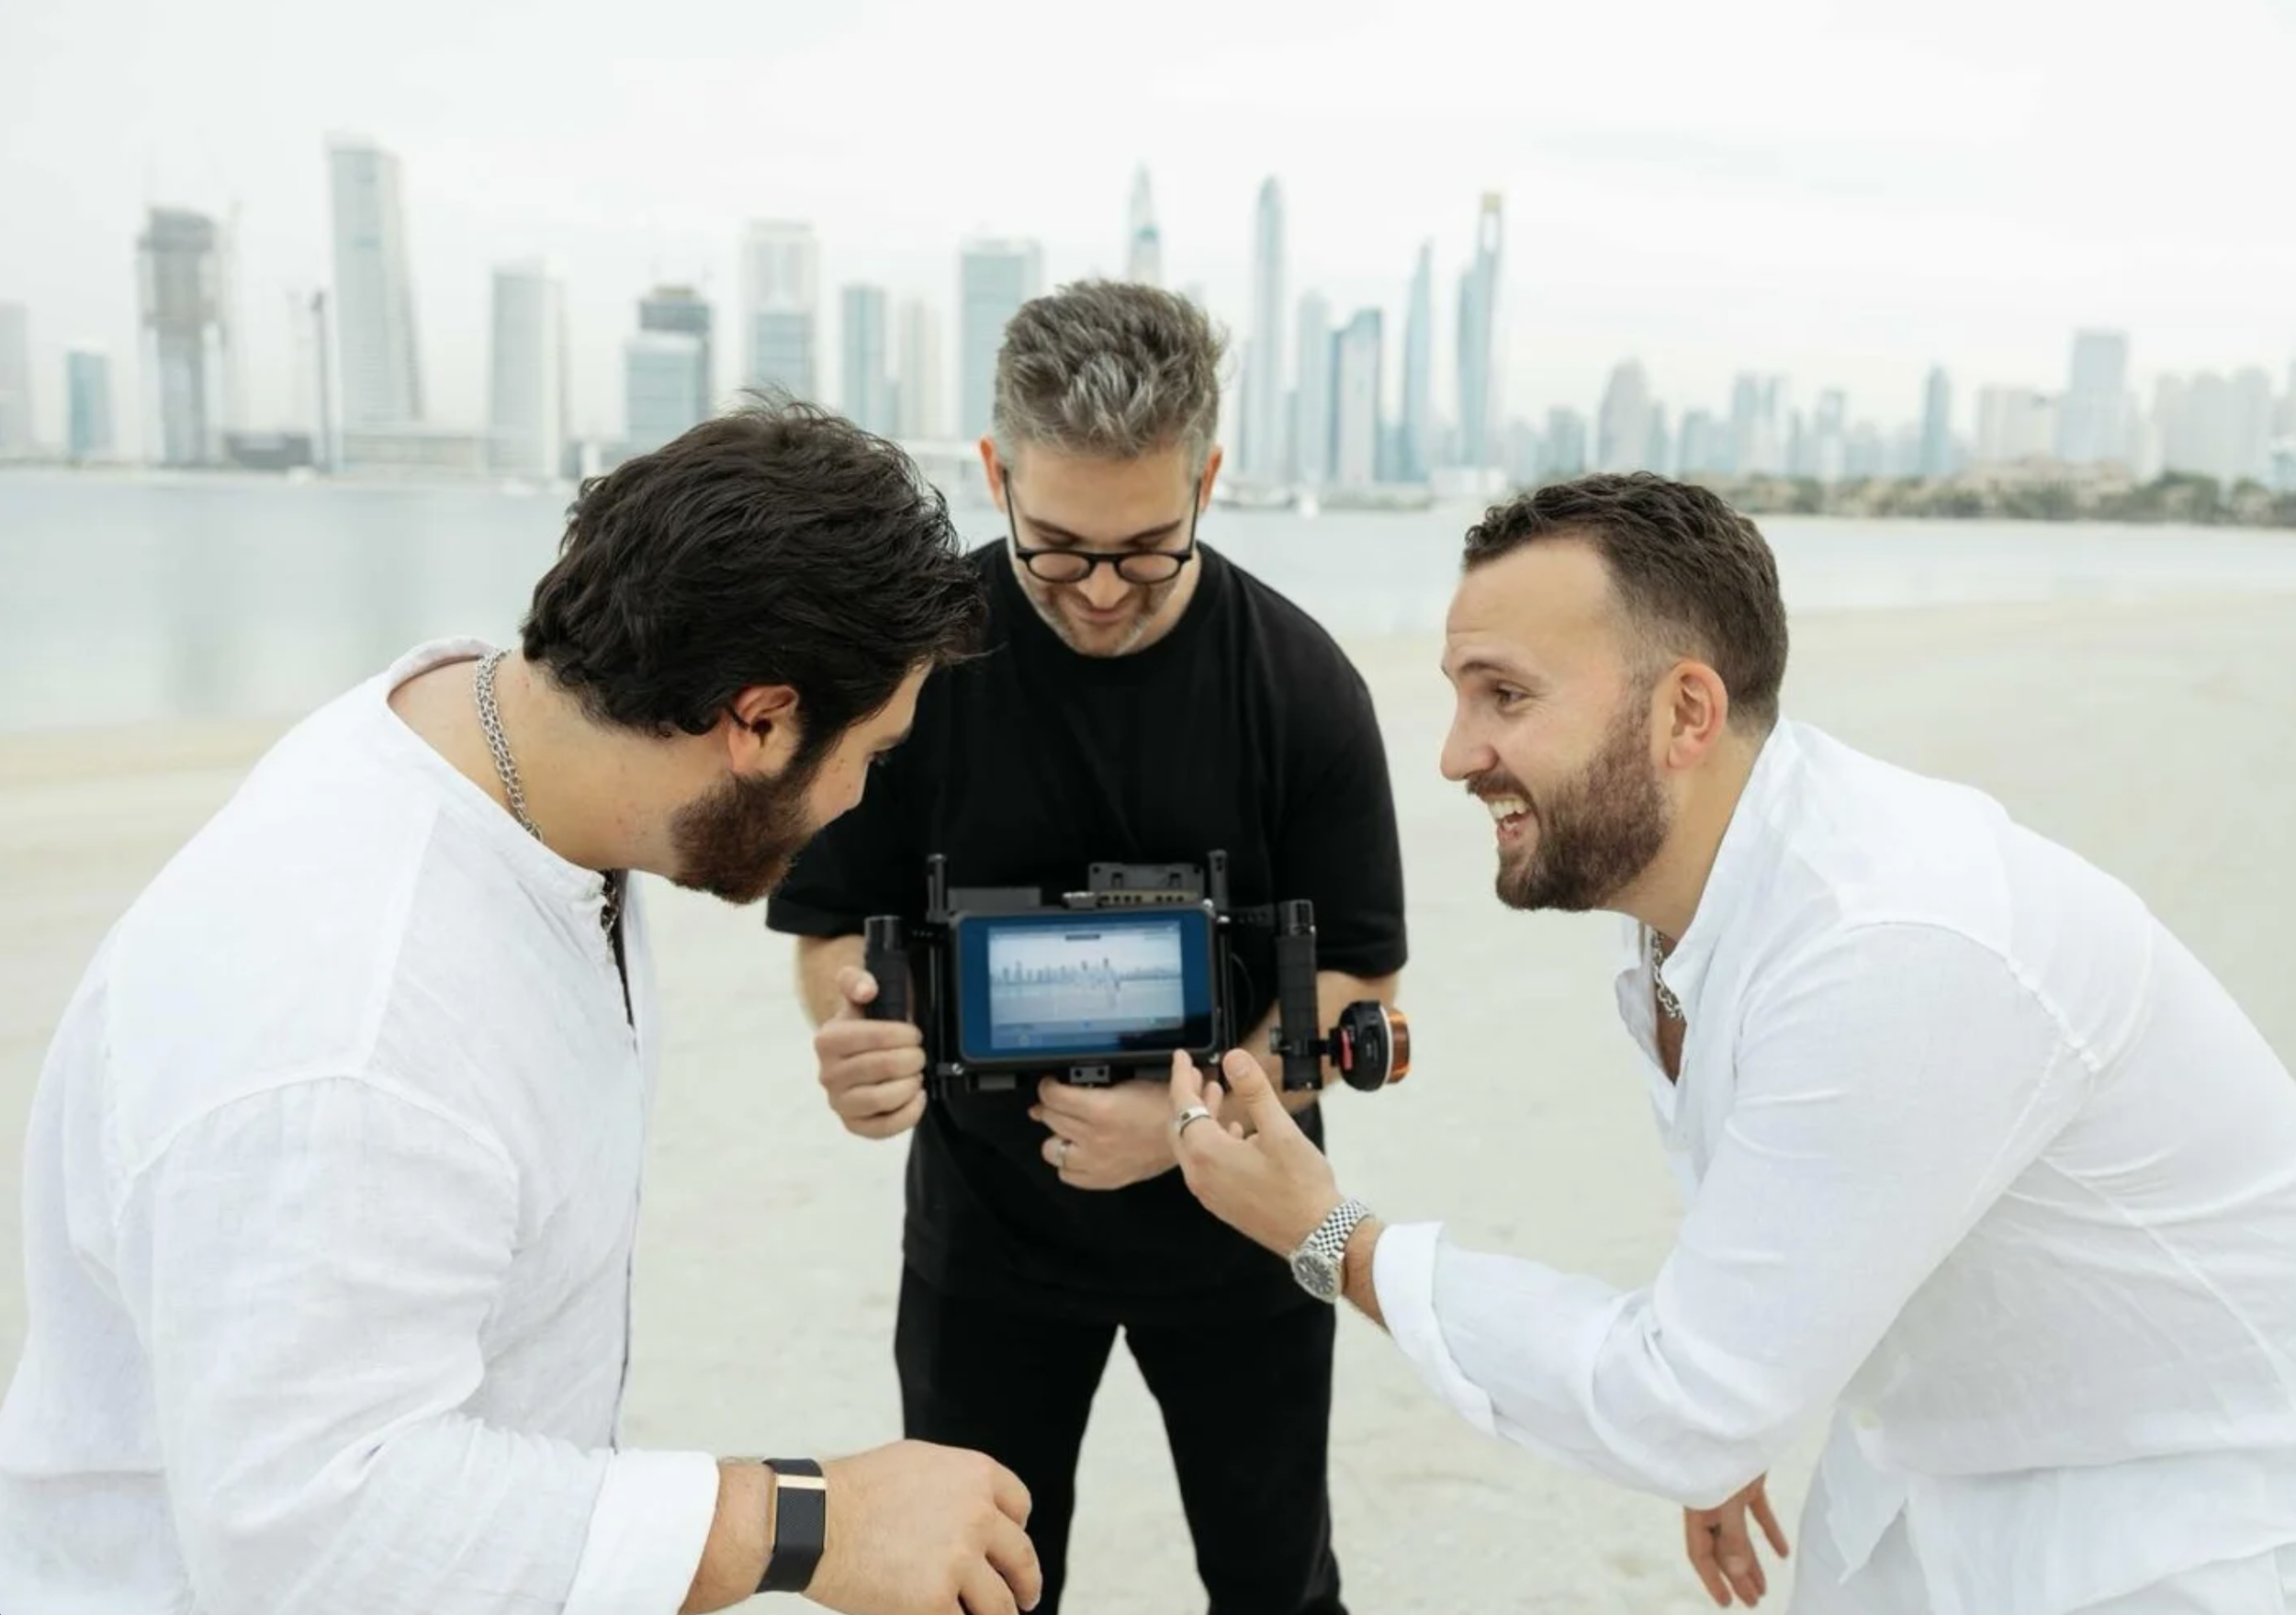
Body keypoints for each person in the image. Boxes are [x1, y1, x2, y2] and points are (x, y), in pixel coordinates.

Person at [1166, 473, 2296, 1615]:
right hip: (1949, 1471)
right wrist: (1743, 1385)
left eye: (1505, 695)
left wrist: (1329, 1235)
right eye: (1459, 697)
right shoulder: (1698, 904)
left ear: (1686, 715)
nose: (1457, 756)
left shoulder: (1888, 945)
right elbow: (1769, 1251)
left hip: (2178, 1529)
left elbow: (1682, 1405)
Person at [0, 399, 1048, 1615]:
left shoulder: (521, 757)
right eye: (870, 754)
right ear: (756, 720)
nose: (862, 801)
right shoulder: (351, 1024)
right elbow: (312, 1533)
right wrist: (815, 1519)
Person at [765, 280, 1408, 1614]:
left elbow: (1355, 982)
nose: (1103, 589)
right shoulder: (909, 665)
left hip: (1247, 1233)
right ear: (993, 471)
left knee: (1276, 1582)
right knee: (974, 1591)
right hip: (986, 1241)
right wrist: (857, 1038)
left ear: (1209, 481)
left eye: (1146, 548)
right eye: (1055, 547)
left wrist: (1177, 1126)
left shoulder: (1302, 688)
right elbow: (833, 922)